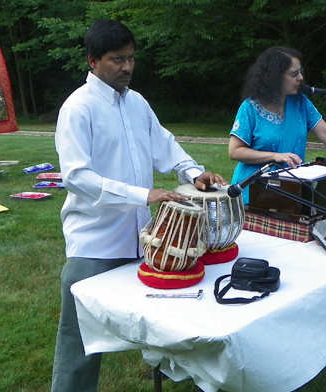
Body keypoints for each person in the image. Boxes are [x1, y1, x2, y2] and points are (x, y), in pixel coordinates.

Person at [51, 19, 226, 392]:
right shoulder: (78, 108)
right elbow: (76, 177)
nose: (127, 67)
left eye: (131, 58)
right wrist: (141, 195)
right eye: (117, 59)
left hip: (145, 241)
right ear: (92, 61)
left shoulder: (137, 102)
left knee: (158, 324)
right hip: (94, 245)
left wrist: (193, 172)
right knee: (79, 341)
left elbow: (165, 145)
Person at [228, 46, 326, 204]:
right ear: (275, 77)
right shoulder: (250, 107)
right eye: (294, 74)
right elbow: (235, 151)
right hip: (251, 192)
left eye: (300, 71)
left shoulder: (301, 103)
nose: (300, 77)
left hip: (292, 189)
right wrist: (275, 157)